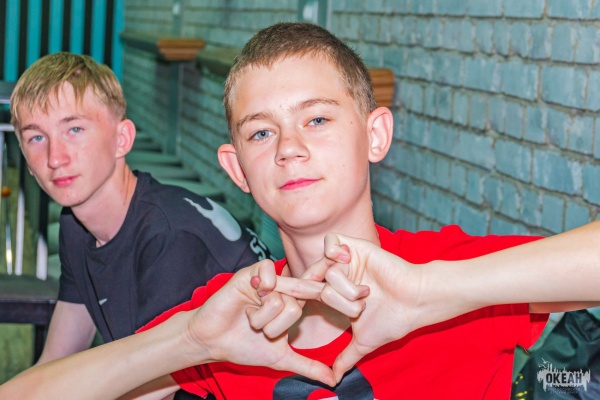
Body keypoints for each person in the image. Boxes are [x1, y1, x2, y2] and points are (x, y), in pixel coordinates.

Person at [1, 23, 599, 399]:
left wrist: (434, 291)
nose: (290, 147)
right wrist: (187, 341)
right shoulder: (228, 321)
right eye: (262, 133)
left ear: (375, 135)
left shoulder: (449, 271)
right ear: (238, 169)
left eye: (316, 119)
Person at [8, 53, 271, 394]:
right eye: (36, 138)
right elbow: (58, 360)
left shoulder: (169, 238)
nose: (55, 157)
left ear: (122, 139)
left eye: (74, 130)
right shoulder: (76, 226)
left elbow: (151, 392)